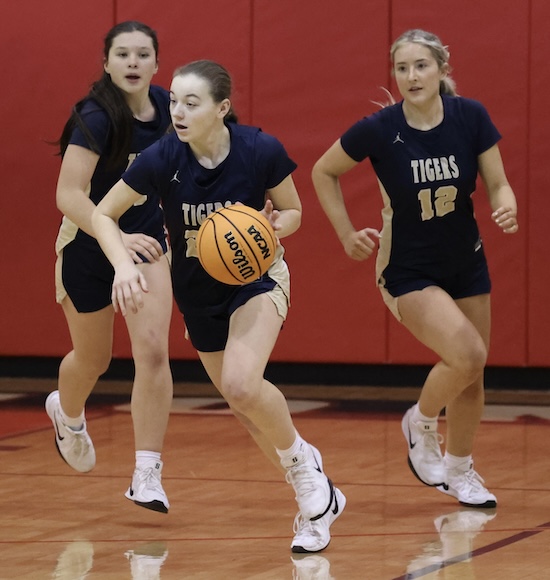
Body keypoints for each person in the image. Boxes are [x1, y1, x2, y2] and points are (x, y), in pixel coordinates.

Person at [92, 59, 345, 552]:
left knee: (240, 383)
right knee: (245, 408)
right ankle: (317, 502)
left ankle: (306, 468)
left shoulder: (259, 149)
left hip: (257, 280)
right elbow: (103, 214)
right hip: (199, 296)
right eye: (174, 102)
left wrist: (276, 225)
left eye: (192, 103)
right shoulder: (163, 156)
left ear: (221, 108)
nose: (178, 112)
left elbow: (293, 210)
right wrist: (122, 264)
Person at [312, 29, 518, 509]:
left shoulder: (470, 116)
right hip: (407, 268)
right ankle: (421, 421)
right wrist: (345, 233)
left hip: (466, 260)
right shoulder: (380, 128)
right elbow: (324, 171)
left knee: (473, 373)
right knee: (467, 354)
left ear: (442, 68)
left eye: (421, 66)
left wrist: (505, 204)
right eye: (401, 68)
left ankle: (460, 472)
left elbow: (499, 183)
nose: (411, 76)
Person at [46, 20, 174, 513]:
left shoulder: (172, 109)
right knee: (93, 359)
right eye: (122, 54)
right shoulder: (96, 116)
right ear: (106, 63)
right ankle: (67, 413)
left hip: (145, 245)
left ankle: (147, 472)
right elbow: (67, 195)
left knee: (153, 351)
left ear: (157, 62)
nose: (133, 62)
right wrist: (114, 236)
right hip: (87, 244)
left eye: (143, 54)